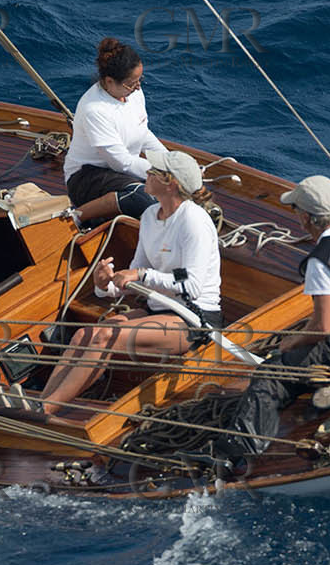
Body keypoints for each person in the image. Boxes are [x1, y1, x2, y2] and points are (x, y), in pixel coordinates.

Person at [223, 175, 330, 454]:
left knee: (271, 373)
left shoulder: (321, 259)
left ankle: (242, 453)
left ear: (305, 218)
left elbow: (322, 327)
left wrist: (290, 343)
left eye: (295, 210)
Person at [38, 149, 221, 414]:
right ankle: (35, 405)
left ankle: (44, 411)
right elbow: (137, 270)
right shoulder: (149, 217)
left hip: (195, 318)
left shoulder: (194, 222)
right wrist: (106, 286)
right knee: (82, 335)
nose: (146, 172)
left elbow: (190, 281)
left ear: (170, 184)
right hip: (157, 309)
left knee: (105, 337)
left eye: (153, 171)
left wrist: (142, 275)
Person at [63, 36, 167, 226]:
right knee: (144, 199)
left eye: (140, 80)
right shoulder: (94, 110)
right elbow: (122, 162)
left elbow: (143, 133)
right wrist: (165, 173)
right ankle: (77, 216)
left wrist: (170, 160)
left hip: (121, 174)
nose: (137, 87)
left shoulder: (133, 93)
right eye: (131, 83)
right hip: (87, 176)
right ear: (109, 81)